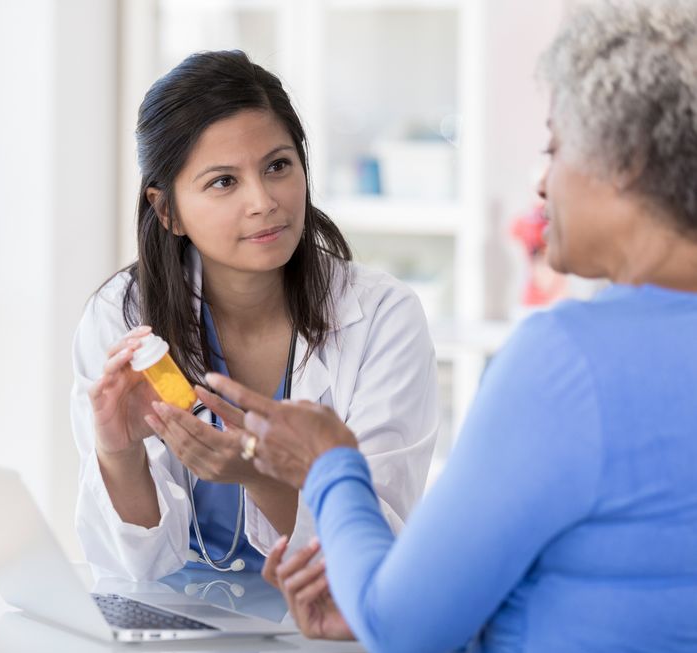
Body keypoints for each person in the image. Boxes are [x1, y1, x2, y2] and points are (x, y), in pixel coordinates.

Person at [198, 1, 697, 650]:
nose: (541, 181)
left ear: (626, 160)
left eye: (555, 147)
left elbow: (401, 627)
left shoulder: (568, 361)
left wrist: (330, 462)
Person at [70, 50, 440, 581]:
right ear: (167, 209)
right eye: (224, 181)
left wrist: (260, 476)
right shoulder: (123, 315)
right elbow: (133, 567)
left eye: (278, 166)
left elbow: (373, 554)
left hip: (321, 624)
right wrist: (117, 451)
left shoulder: (384, 317)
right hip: (174, 622)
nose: (264, 201)